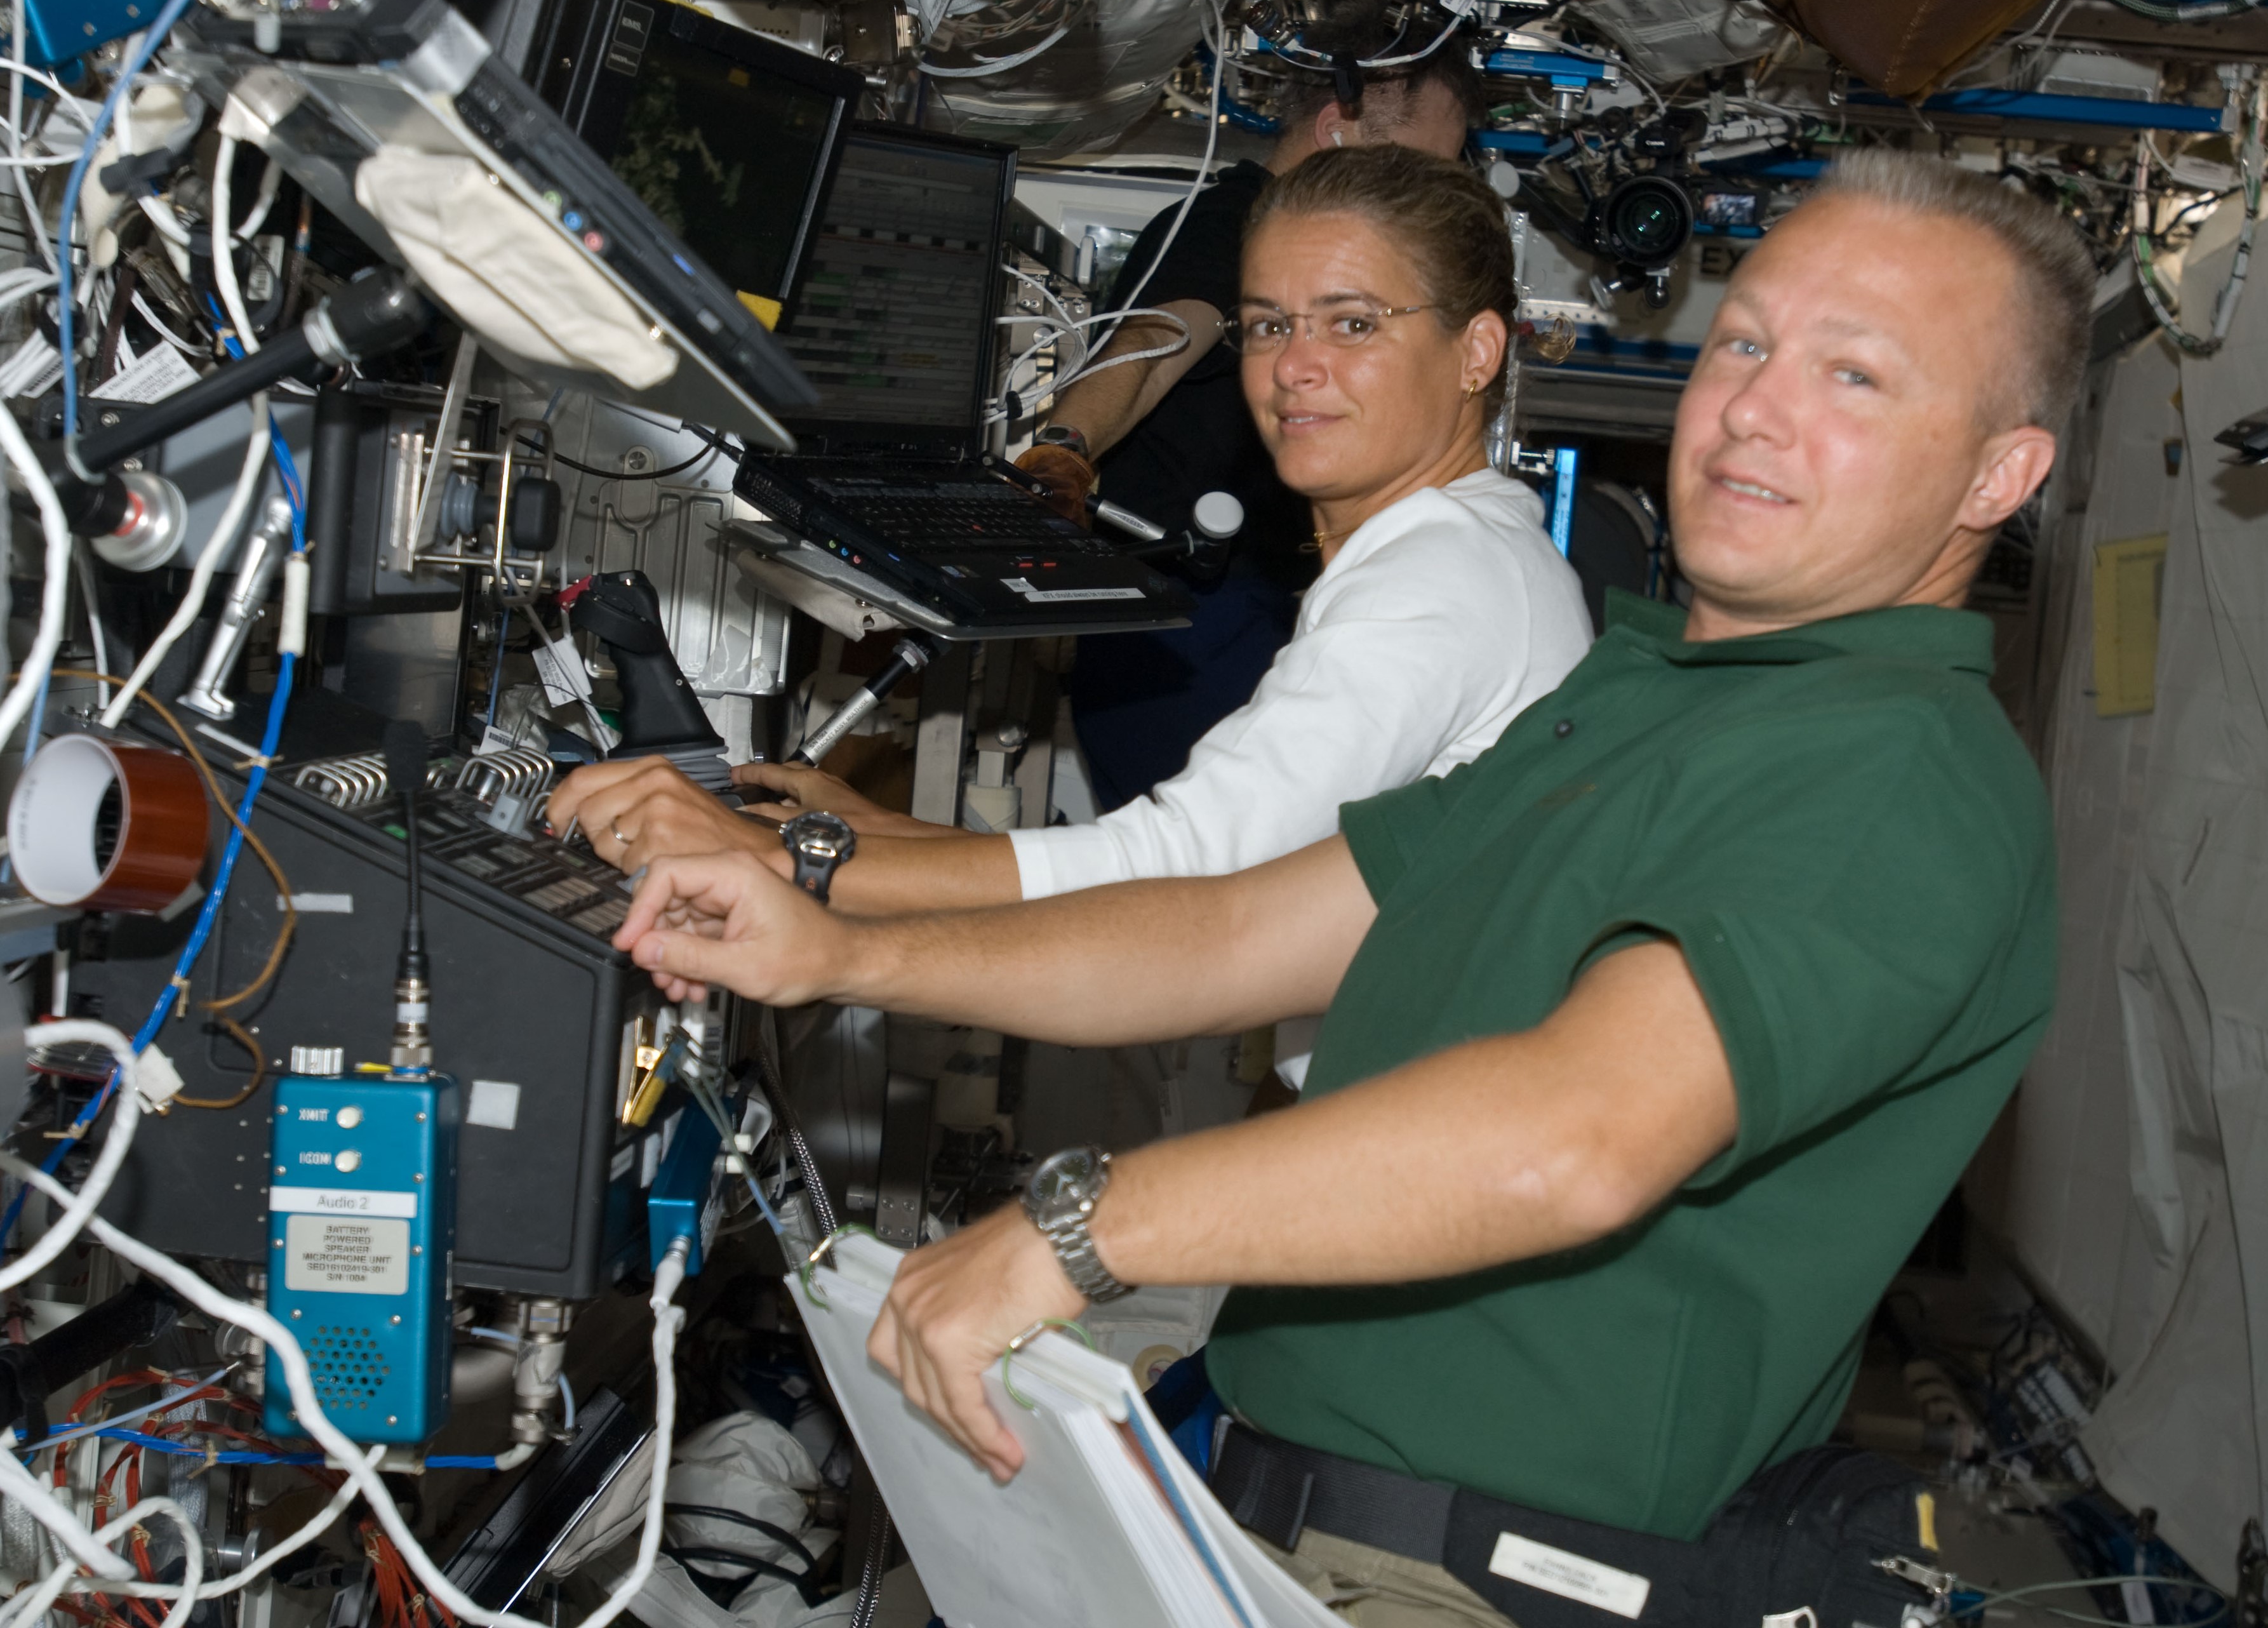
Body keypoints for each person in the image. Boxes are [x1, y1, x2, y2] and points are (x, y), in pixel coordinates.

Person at [606, 149, 2083, 1625]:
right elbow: (1245, 927)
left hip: (1461, 1577)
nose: (1756, 405)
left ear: (1998, 475)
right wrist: (828, 952)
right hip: (1288, 1514)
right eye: (1746, 342)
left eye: (1857, 380)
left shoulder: (1885, 762)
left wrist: (1082, 1224)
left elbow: (1580, 1137)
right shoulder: (1657, 701)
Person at [555, 149, 1592, 1022]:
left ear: (1476, 352)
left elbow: (1188, 870)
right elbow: (1222, 862)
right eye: (1270, 324)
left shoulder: (1441, 583)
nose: (1294, 366)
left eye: (1352, 323)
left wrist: (782, 860)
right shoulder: (1466, 554)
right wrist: (860, 832)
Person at [1024, 0, 1484, 810]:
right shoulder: (1228, 224)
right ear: (1337, 128)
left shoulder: (1297, 252)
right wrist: (1064, 449)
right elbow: (1153, 346)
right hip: (1179, 623)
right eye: (1415, 165)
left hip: (1240, 608)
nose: (1425, 197)